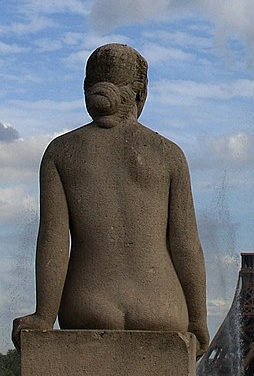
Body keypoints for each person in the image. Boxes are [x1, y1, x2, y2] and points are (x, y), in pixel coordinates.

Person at [12, 44, 209, 356]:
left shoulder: (60, 152)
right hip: (161, 304)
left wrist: (44, 317)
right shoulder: (168, 154)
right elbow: (185, 244)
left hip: (86, 303)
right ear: (141, 94)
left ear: (87, 90)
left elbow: (53, 240)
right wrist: (198, 319)